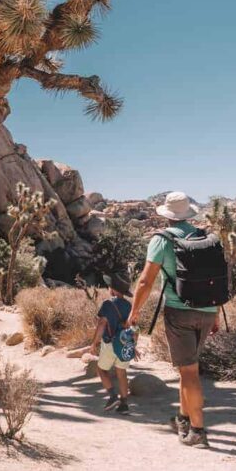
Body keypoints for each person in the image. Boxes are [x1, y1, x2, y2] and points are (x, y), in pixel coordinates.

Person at [128, 192, 219, 448]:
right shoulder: (204, 237)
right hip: (208, 310)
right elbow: (216, 277)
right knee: (186, 367)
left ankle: (198, 432)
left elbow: (146, 280)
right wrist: (216, 312)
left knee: (190, 372)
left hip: (179, 311)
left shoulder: (162, 239)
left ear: (167, 215)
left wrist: (134, 311)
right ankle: (183, 418)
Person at [90, 270, 135, 415]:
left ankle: (112, 396)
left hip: (110, 344)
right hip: (124, 343)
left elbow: (102, 324)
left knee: (101, 369)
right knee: (122, 373)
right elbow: (134, 327)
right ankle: (124, 405)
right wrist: (134, 345)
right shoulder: (129, 306)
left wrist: (94, 343)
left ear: (113, 289)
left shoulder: (108, 304)